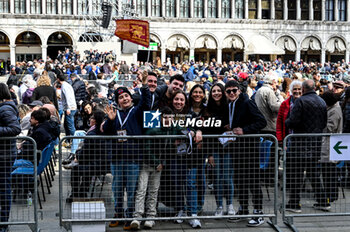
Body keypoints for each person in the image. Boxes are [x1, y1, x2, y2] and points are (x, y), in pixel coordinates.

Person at [103, 76, 150, 230]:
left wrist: (144, 86)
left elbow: (145, 103)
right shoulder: (114, 114)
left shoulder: (136, 111)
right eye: (121, 97)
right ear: (117, 101)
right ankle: (118, 213)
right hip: (116, 158)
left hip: (132, 158)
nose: (124, 99)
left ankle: (129, 216)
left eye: (126, 96)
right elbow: (108, 132)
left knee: (131, 189)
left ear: (131, 98)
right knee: (117, 188)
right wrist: (110, 121)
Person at [224, 80, 267, 227]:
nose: (231, 93)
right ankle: (243, 209)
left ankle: (258, 212)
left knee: (253, 181)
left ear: (239, 91)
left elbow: (262, 121)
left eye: (234, 90)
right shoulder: (230, 104)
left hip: (249, 149)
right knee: (240, 180)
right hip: (237, 149)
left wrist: (244, 130)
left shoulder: (247, 102)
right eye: (228, 91)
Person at [285, 79, 329, 212]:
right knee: (314, 173)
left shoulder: (300, 101)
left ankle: (294, 203)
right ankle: (323, 202)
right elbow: (324, 123)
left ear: (303, 89)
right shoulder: (322, 101)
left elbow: (293, 121)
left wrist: (287, 121)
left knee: (296, 174)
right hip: (315, 143)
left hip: (299, 144)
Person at [203, 83, 234, 217]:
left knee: (227, 178)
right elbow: (207, 132)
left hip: (227, 148)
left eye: (218, 90)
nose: (216, 93)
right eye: (213, 91)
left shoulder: (229, 107)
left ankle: (230, 205)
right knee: (216, 178)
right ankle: (219, 206)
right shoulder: (207, 109)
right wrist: (209, 154)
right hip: (214, 149)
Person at [0, 83, 21, 231]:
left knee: (4, 188)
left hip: (4, 155)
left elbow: (15, 129)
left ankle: (3, 223)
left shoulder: (6, 108)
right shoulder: (6, 107)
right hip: (5, 153)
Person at [276, 80, 303, 145]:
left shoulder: (306, 102)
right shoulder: (284, 104)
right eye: (295, 89)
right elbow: (279, 122)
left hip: (302, 138)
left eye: (299, 89)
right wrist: (279, 139)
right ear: (291, 90)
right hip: (288, 137)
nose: (297, 91)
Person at [57, 72, 77, 139]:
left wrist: (68, 108)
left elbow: (68, 97)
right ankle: (68, 140)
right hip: (69, 107)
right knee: (66, 125)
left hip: (70, 108)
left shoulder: (65, 86)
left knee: (70, 126)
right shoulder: (66, 85)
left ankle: (76, 141)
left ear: (58, 79)